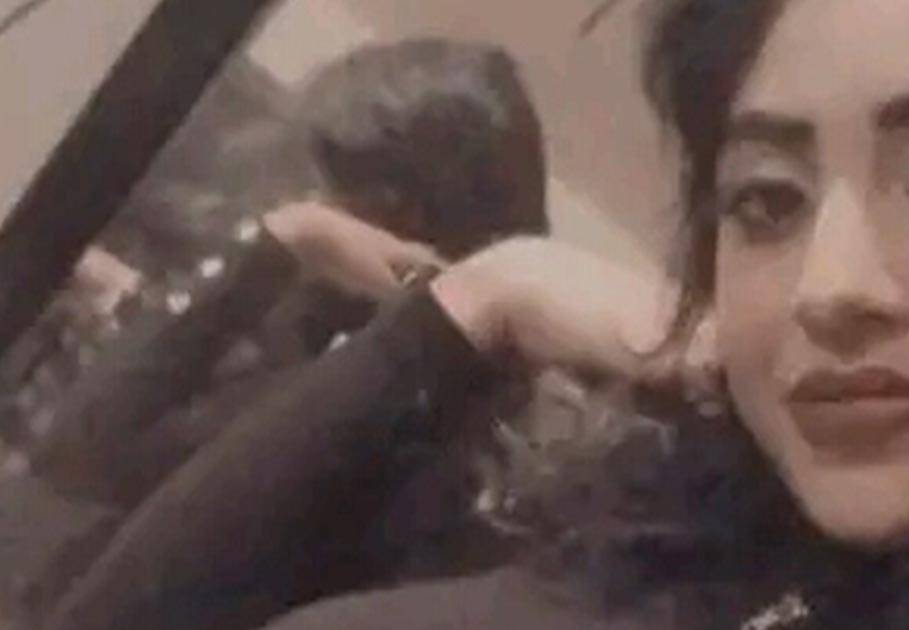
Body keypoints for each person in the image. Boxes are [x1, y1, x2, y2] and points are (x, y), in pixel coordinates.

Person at [42, 0, 909, 629]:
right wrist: (469, 304)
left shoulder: (502, 449)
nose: (827, 285)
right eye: (765, 200)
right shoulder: (662, 556)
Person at [30, 38, 547, 508]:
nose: (312, 199)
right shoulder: (354, 332)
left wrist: (287, 239)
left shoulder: (388, 391)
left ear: (397, 209)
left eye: (331, 188)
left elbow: (83, 449)